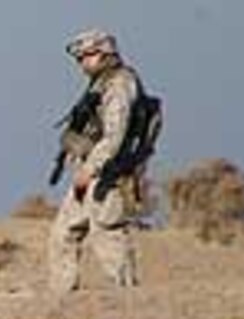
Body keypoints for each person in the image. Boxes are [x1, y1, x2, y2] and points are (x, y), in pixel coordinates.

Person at [47, 28, 156, 293]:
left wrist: (90, 168)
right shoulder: (101, 82)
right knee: (63, 234)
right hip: (91, 172)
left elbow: (114, 137)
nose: (82, 62)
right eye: (80, 57)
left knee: (107, 234)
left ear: (105, 53)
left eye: (87, 55)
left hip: (108, 174)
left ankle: (126, 299)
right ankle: (62, 298)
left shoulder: (120, 85)